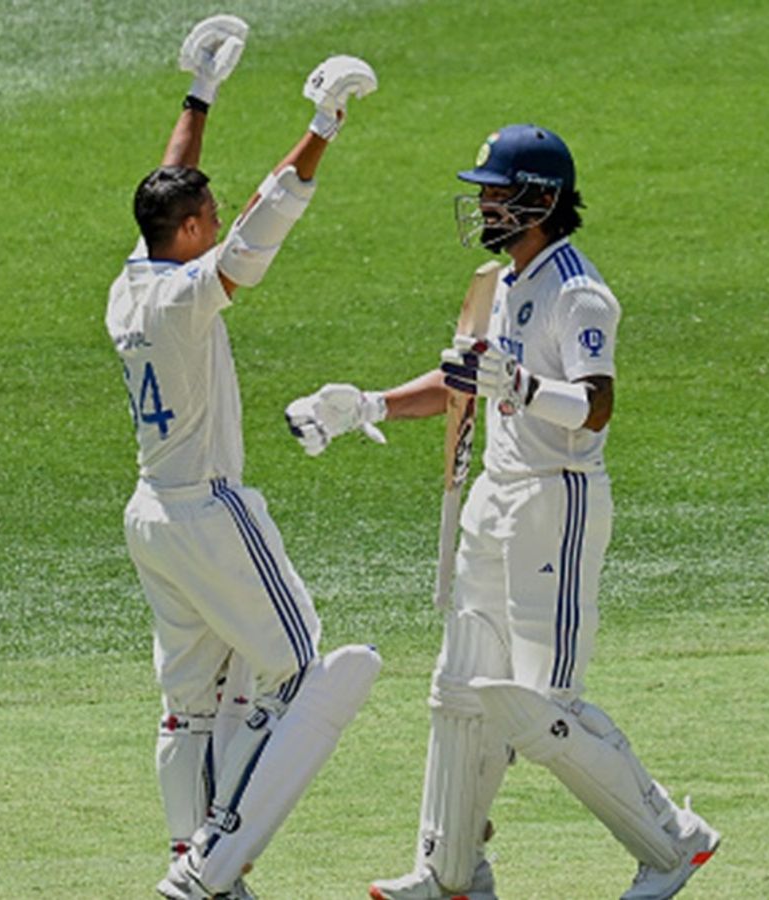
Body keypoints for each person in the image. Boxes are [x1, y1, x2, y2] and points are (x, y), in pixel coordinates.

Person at [284, 124, 721, 900]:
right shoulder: (502, 281)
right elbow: (465, 378)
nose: (483, 202)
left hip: (558, 503)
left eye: (496, 190)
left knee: (540, 708)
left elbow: (595, 407)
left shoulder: (579, 292)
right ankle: (450, 873)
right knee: (460, 690)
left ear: (541, 200)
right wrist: (365, 405)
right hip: (494, 497)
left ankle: (672, 842)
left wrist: (518, 388)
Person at [106, 15, 382, 900]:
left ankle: (190, 852)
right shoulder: (187, 297)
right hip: (207, 511)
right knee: (298, 665)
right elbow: (265, 221)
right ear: (189, 233)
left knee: (194, 702)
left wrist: (202, 92)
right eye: (206, 219)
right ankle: (217, 857)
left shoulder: (132, 281)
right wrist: (324, 124)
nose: (216, 222)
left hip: (151, 514)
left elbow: (165, 190)